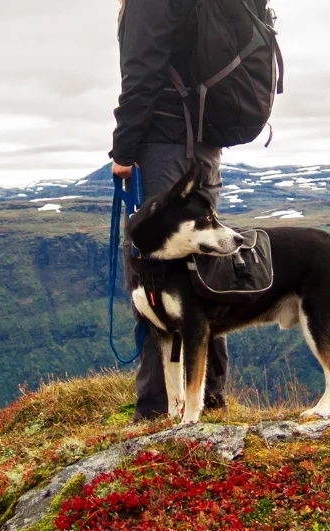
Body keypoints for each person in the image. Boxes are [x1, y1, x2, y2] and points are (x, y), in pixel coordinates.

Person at [111, 0, 230, 421]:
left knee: (152, 281)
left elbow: (142, 74)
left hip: (163, 149)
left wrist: (124, 149)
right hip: (204, 149)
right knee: (202, 275)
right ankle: (209, 398)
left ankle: (159, 409)